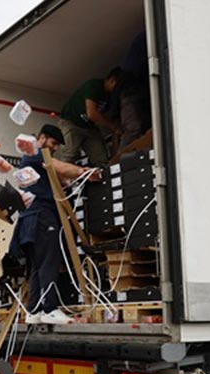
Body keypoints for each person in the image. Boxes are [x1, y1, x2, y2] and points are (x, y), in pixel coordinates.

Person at [9, 123, 100, 325]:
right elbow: (58, 166)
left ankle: (34, 311)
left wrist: (71, 179)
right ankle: (49, 309)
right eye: (53, 142)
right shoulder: (35, 151)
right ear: (42, 138)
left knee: (37, 266)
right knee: (50, 260)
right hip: (42, 216)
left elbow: (58, 175)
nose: (55, 147)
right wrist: (83, 172)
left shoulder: (30, 159)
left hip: (29, 220)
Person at [55, 68, 125, 166]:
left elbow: (104, 117)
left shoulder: (109, 97)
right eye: (118, 86)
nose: (118, 90)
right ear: (112, 80)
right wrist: (113, 127)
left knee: (102, 159)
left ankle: (106, 179)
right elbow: (92, 114)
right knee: (69, 155)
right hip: (71, 122)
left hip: (89, 127)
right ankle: (63, 180)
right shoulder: (94, 85)